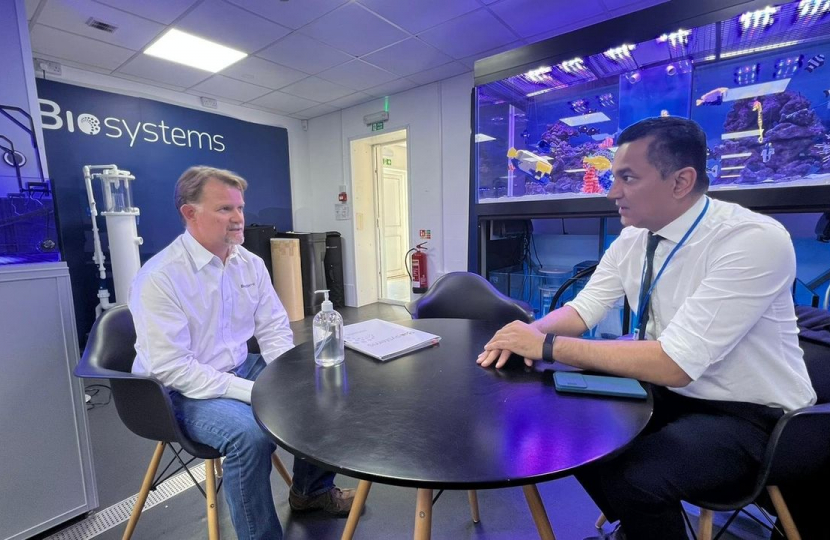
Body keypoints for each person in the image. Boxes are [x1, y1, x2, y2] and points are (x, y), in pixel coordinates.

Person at [476, 117, 816, 540]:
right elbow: (585, 309)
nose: (611, 191)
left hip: (753, 415)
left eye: (627, 178)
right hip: (669, 392)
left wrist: (545, 344)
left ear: (681, 181)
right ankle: (642, 525)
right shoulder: (632, 239)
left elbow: (674, 363)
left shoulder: (751, 239)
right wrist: (522, 337)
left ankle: (641, 517)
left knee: (637, 478)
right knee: (570, 432)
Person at [129, 166, 355, 540]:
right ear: (190, 213)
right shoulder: (160, 277)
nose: (238, 219)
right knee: (249, 436)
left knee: (320, 388)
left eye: (240, 207)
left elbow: (272, 327)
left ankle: (311, 491)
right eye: (224, 209)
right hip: (178, 390)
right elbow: (171, 367)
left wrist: (289, 375)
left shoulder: (248, 262)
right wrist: (256, 392)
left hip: (237, 367)